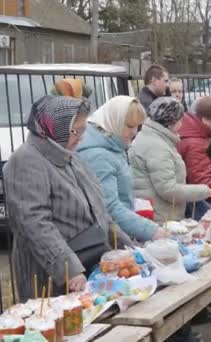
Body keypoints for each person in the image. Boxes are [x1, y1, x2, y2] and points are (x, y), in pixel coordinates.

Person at [3, 95, 131, 300]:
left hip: (89, 261)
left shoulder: (68, 154)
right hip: (50, 275)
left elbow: (99, 211)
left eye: (82, 130)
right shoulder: (26, 161)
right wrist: (68, 268)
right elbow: (34, 223)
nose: (81, 137)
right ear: (55, 127)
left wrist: (127, 247)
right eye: (76, 131)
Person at [77, 96, 167, 241]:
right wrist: (151, 231)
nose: (135, 132)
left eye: (138, 126)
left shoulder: (113, 145)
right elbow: (109, 207)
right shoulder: (99, 156)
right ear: (113, 121)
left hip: (120, 232)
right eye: (129, 126)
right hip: (109, 239)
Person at [129, 97, 211, 222]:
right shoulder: (157, 146)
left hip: (159, 213)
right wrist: (204, 190)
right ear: (171, 122)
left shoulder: (154, 137)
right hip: (161, 217)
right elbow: (168, 189)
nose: (181, 124)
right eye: (180, 120)